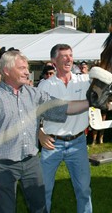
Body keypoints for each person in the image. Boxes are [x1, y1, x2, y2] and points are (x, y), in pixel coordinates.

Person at [0, 50, 89, 213]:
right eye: (22, 68)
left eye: (27, 68)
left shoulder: (34, 94)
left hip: (31, 162)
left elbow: (64, 108)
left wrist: (90, 101)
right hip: (3, 165)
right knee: (5, 210)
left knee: (39, 207)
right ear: (6, 70)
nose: (27, 72)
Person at [38, 44, 92, 213]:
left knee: (83, 190)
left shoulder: (84, 81)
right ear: (54, 61)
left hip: (78, 143)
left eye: (71, 55)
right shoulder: (45, 85)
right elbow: (38, 113)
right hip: (52, 144)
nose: (69, 59)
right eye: (64, 56)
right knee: (44, 190)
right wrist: (39, 132)